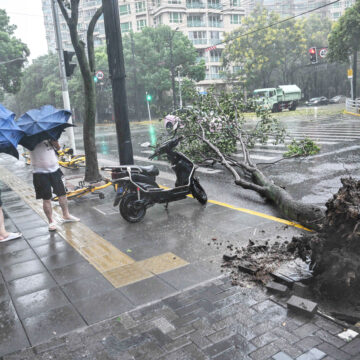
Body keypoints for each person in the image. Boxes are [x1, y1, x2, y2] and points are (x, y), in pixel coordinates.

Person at [30, 139, 79, 231]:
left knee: (62, 194)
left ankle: (66, 215)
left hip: (55, 170)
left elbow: (58, 147)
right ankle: (51, 221)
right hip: (40, 173)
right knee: (46, 198)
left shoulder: (49, 135)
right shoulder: (29, 139)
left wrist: (54, 142)